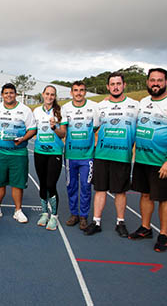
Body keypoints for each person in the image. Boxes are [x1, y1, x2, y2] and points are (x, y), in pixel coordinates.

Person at [129, 68, 167, 252]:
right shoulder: (144, 102)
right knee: (145, 195)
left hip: (162, 162)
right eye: (153, 80)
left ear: (166, 82)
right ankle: (146, 228)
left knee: (164, 198)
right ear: (147, 82)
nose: (156, 83)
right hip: (142, 160)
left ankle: (163, 234)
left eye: (160, 80)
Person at [84, 73, 139, 237]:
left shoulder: (135, 106)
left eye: (118, 83)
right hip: (102, 155)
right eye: (112, 84)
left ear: (124, 85)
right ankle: (96, 222)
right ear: (108, 87)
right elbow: (93, 128)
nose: (115, 86)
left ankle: (120, 223)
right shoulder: (100, 106)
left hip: (122, 156)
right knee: (100, 190)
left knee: (120, 192)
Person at [0, 83, 37, 223]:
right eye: (6, 93)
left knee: (17, 184)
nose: (9, 95)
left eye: (11, 93)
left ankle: (18, 211)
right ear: (2, 95)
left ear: (16, 94)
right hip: (0, 152)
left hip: (18, 153)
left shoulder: (25, 110)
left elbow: (32, 129)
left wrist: (22, 139)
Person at [60, 81, 99, 230]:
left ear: (85, 92)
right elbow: (63, 129)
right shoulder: (66, 108)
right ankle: (74, 214)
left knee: (86, 186)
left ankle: (83, 216)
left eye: (81, 90)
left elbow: (95, 127)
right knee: (71, 186)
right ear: (71, 92)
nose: (78, 93)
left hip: (87, 156)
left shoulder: (93, 107)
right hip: (70, 155)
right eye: (75, 90)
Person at [33, 85, 65, 230]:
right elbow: (32, 130)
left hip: (54, 153)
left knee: (51, 184)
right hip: (39, 152)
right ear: (43, 94)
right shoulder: (36, 111)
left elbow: (63, 134)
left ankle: (54, 216)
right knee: (42, 184)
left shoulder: (60, 111)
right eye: (47, 94)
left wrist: (54, 128)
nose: (49, 96)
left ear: (55, 96)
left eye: (52, 94)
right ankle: (45, 213)